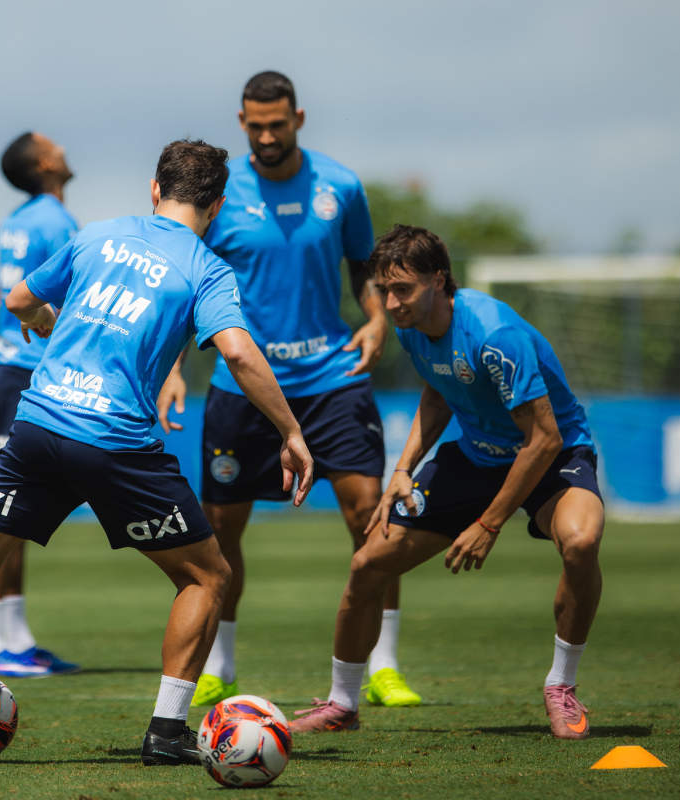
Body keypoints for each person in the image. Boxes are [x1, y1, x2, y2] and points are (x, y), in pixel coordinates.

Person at [0, 139, 313, 768]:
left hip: (36, 428)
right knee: (208, 576)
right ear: (218, 205)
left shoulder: (98, 236)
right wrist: (291, 431)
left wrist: (44, 316)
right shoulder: (207, 268)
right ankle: (166, 731)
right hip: (116, 444)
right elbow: (237, 352)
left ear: (154, 189)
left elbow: (15, 301)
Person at [159, 70, 419, 709]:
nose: (267, 136)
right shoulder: (219, 196)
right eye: (255, 126)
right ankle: (219, 665)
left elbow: (366, 265)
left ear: (299, 118)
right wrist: (170, 367)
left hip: (332, 379)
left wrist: (378, 317)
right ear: (241, 122)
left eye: (278, 124)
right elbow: (181, 279)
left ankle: (380, 665)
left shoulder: (341, 186)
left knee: (370, 518)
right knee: (219, 533)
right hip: (241, 385)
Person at [287, 224, 603, 740]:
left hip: (553, 454)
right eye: (383, 291)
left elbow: (542, 440)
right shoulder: (411, 327)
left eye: (402, 290)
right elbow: (438, 393)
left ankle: (561, 687)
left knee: (581, 541)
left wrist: (489, 522)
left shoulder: (495, 336)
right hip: (475, 456)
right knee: (368, 563)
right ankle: (342, 703)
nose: (390, 304)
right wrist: (404, 468)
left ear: (440, 280)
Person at [0, 131, 80, 679]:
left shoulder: (16, 221)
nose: (62, 145)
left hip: (6, 368)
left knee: (17, 503)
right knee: (5, 506)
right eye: (51, 142)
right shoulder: (57, 222)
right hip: (25, 371)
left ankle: (14, 636)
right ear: (44, 162)